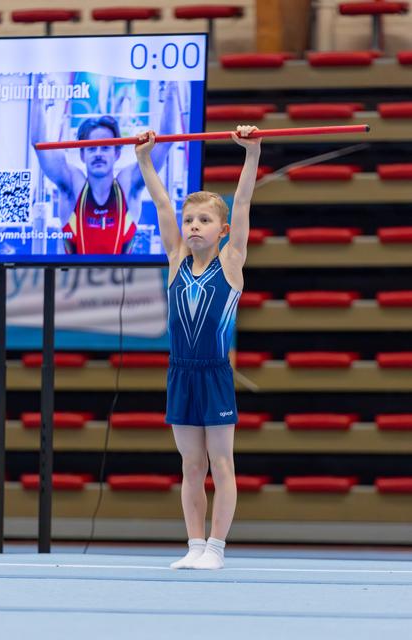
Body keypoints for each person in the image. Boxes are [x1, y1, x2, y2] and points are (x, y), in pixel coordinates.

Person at [135, 125, 262, 569]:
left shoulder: (231, 262)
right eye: (190, 220)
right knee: (191, 466)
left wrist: (252, 153)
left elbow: (243, 201)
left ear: (223, 230)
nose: (192, 226)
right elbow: (161, 204)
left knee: (221, 463)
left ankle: (217, 548)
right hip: (180, 373)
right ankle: (193, 547)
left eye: (204, 220)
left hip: (213, 373)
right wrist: (145, 160)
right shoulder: (175, 261)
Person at [31, 80, 177, 254]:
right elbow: (39, 144)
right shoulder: (73, 185)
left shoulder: (127, 184)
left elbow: (166, 140)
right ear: (82, 155)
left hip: (122, 281)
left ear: (116, 154)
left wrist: (171, 88)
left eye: (105, 147)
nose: (98, 154)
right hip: (73, 281)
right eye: (92, 148)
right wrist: (37, 94)